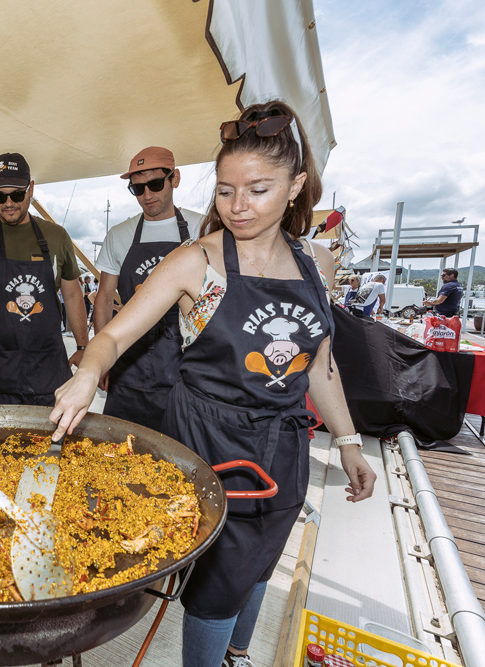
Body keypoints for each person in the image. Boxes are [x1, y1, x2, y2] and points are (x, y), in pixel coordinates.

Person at [50, 100, 376, 667]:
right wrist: (85, 375)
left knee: (258, 566)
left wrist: (348, 443)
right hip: (208, 444)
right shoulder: (196, 262)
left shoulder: (316, 264)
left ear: (297, 185)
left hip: (284, 447)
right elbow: (112, 337)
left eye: (258, 189)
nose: (238, 206)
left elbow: (319, 364)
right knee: (217, 583)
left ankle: (238, 654)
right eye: (225, 191)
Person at [0, 152, 89, 405]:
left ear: (30, 189)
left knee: (52, 444)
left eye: (17, 194)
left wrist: (83, 347)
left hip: (48, 373)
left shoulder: (57, 236)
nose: (8, 203)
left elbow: (73, 294)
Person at [94, 146, 203, 431]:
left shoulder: (203, 229)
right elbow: (104, 299)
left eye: (155, 184)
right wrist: (101, 360)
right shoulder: (120, 234)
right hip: (128, 369)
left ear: (174, 179)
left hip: (184, 371)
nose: (147, 195)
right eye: (137, 189)